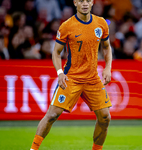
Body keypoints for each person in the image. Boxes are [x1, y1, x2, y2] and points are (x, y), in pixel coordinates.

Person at [30, 0, 112, 150]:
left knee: (105, 117)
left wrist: (107, 68)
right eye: (81, 0)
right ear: (75, 3)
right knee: (52, 115)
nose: (85, 3)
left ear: (92, 2)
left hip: (92, 78)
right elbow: (56, 52)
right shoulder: (67, 26)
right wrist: (60, 72)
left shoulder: (101, 23)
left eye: (88, 0)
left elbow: (106, 47)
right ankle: (33, 149)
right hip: (72, 78)